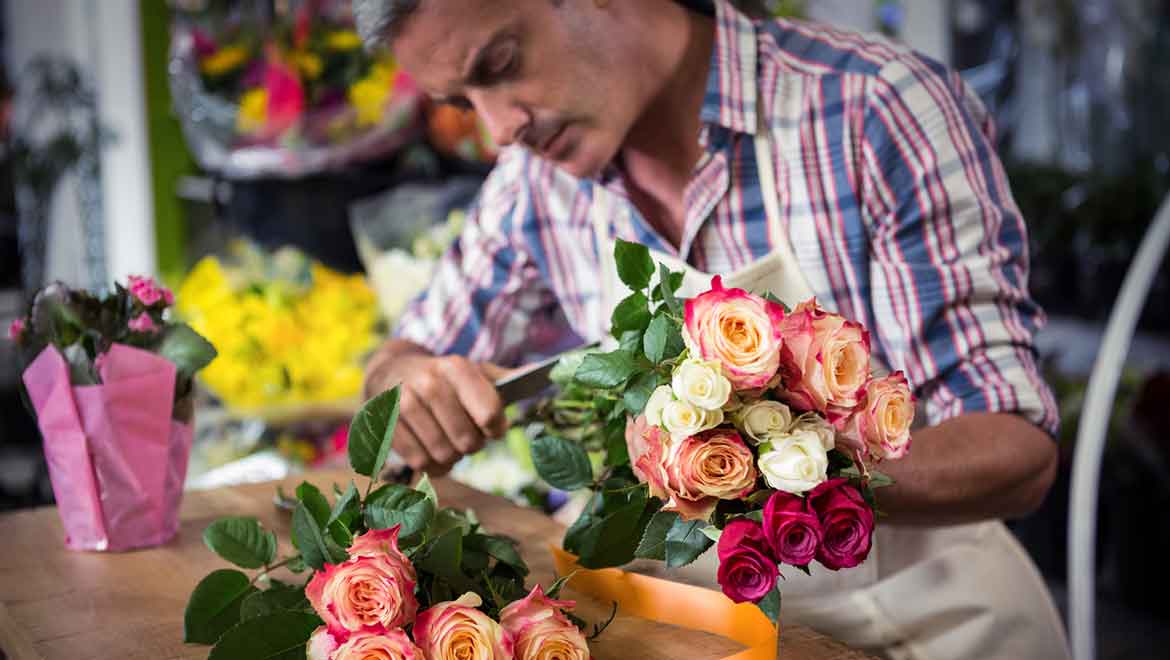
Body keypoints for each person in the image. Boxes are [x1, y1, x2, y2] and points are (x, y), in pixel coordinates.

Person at [358, 1, 1070, 657]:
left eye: (501, 64)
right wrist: (410, 389)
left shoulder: (874, 109)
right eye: (462, 102)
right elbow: (402, 358)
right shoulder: (534, 185)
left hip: (937, 623)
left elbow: (1015, 448)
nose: (498, 128)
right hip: (701, 632)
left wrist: (782, 467)